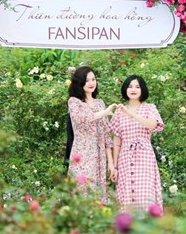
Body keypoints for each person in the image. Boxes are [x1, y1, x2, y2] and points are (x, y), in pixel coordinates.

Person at [111, 75, 164, 214]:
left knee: (145, 193)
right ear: (125, 89)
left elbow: (152, 124)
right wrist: (115, 167)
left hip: (144, 156)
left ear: (142, 90)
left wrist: (131, 113)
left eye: (137, 87)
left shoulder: (149, 108)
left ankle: (148, 230)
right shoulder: (118, 112)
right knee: (126, 195)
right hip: (125, 159)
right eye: (130, 86)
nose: (133, 89)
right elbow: (117, 142)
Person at [67, 66, 116, 203]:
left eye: (93, 79)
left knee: (97, 197)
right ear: (79, 82)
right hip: (82, 154)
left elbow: (107, 136)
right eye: (87, 80)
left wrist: (111, 164)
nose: (91, 83)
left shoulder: (100, 104)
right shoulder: (74, 102)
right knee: (81, 192)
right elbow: (83, 118)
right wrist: (106, 112)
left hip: (99, 157)